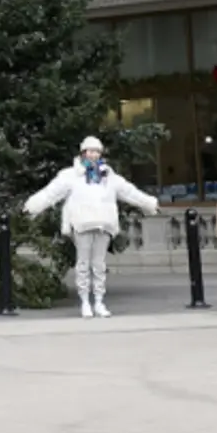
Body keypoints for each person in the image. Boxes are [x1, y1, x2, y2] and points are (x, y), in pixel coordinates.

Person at [23, 136, 159, 318]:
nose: (93, 154)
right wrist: (33, 206)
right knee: (83, 264)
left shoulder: (109, 177)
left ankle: (99, 302)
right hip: (82, 224)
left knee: (99, 265)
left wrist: (149, 203)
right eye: (90, 151)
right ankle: (85, 301)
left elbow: (130, 192)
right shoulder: (70, 175)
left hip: (104, 224)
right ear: (83, 153)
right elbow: (51, 193)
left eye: (97, 151)